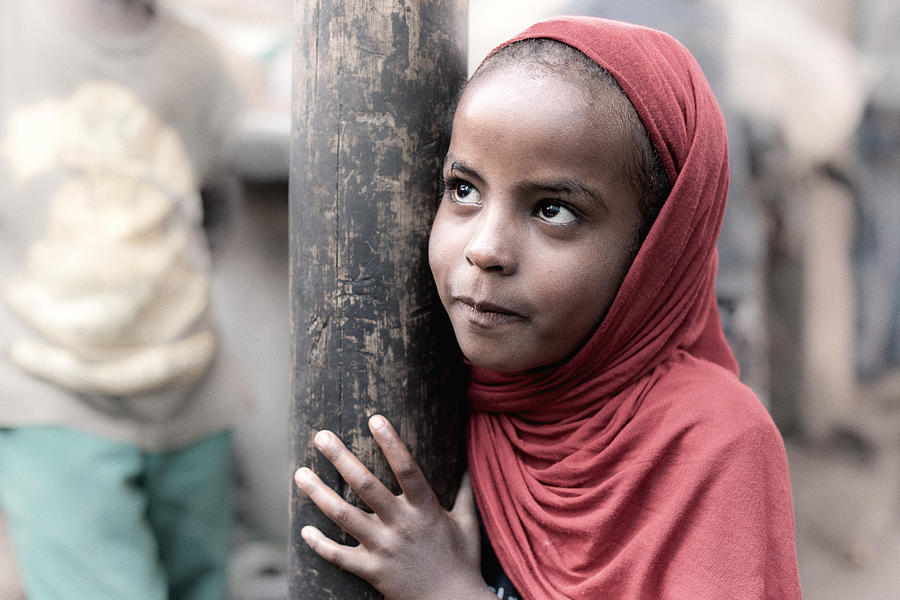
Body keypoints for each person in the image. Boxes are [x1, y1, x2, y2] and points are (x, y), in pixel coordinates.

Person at [294, 16, 800, 599]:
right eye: (463, 189)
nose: (485, 249)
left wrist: (448, 590)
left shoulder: (716, 444)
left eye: (553, 210)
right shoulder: (459, 393)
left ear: (656, 246)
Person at [0, 1, 246, 598]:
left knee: (203, 582)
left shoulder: (196, 59)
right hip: (53, 397)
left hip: (192, 396)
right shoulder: (13, 33)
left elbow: (213, 205)